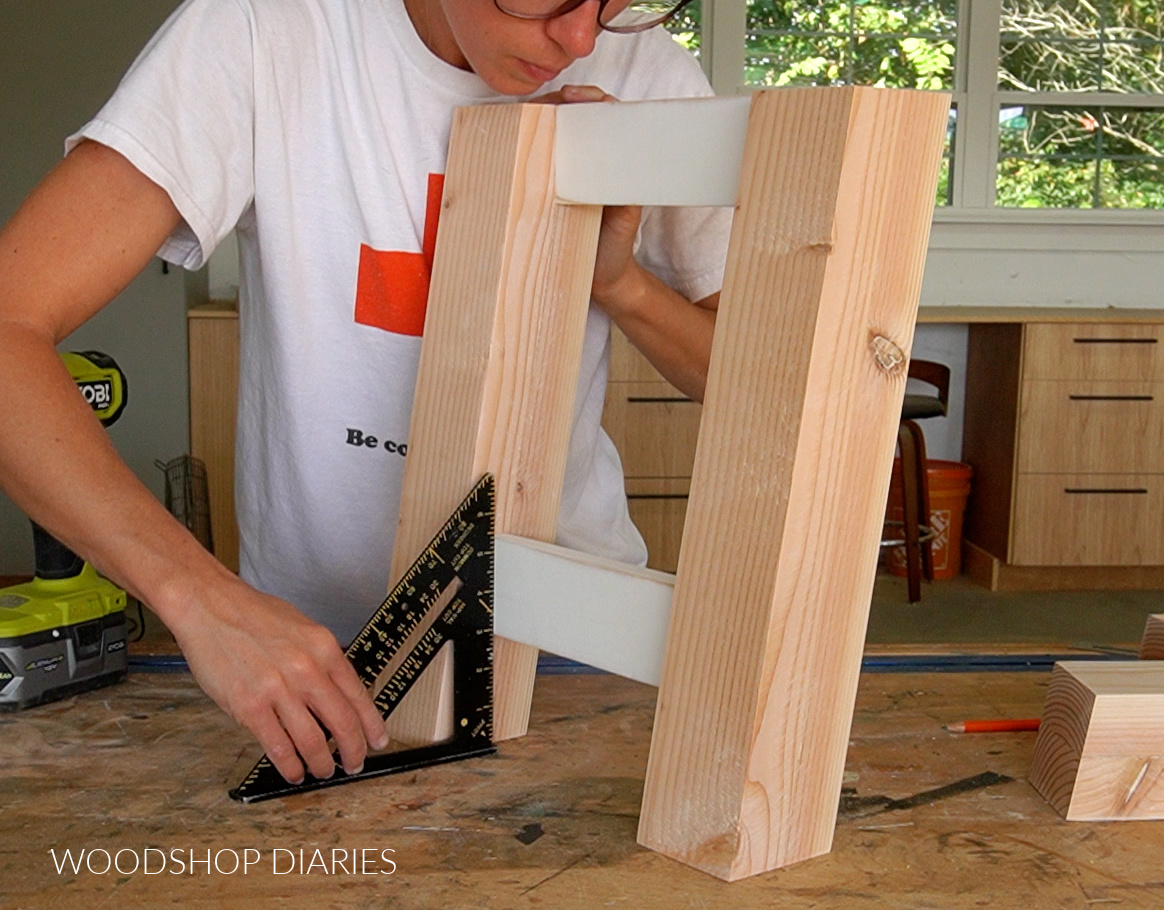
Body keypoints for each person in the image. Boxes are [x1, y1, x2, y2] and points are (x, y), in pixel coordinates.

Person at [0, 0, 730, 785]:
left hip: (572, 650)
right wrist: (201, 602)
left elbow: (758, 379)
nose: (580, 39)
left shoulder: (644, 67)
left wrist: (623, 287)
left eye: (613, 3)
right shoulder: (266, 28)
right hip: (319, 666)